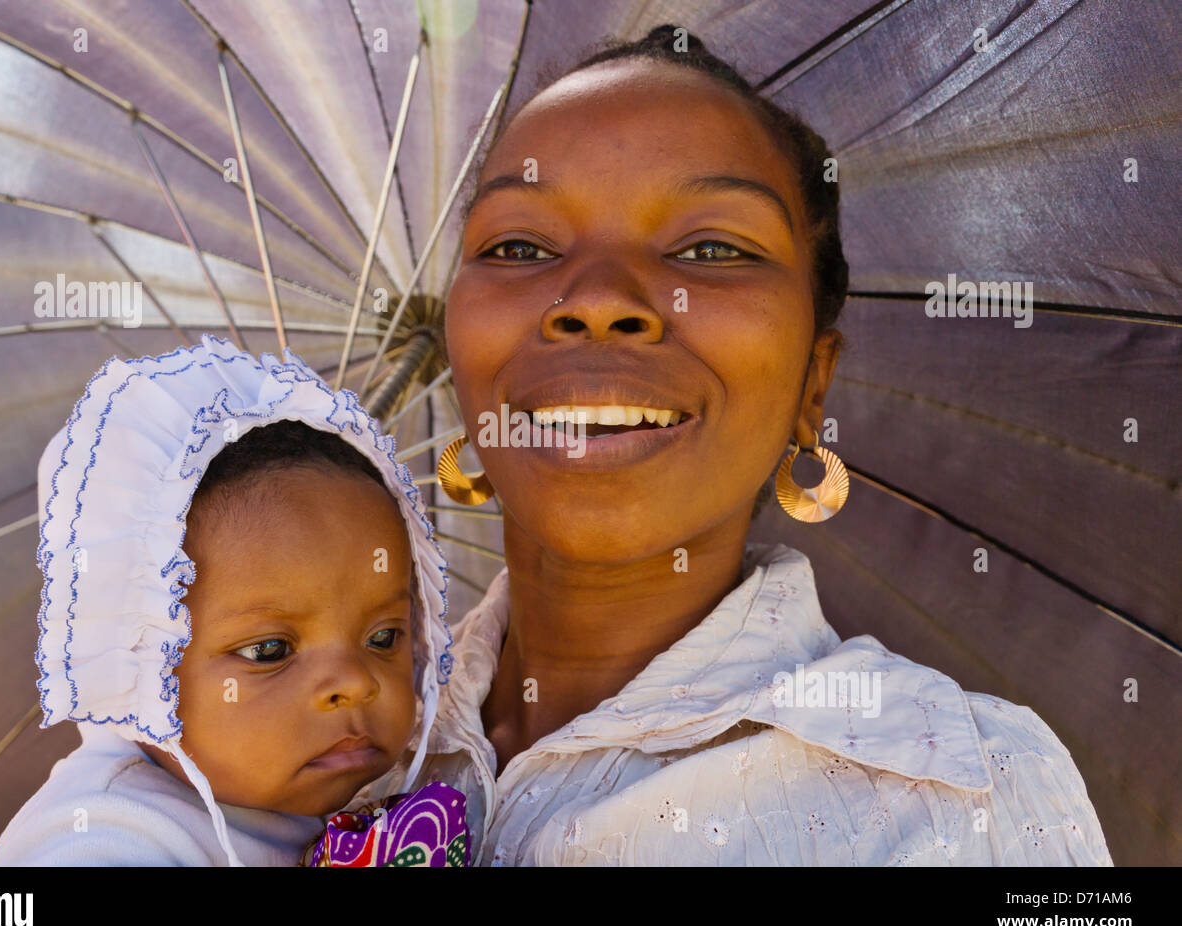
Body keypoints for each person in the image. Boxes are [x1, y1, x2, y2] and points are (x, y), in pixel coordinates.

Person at [356, 24, 1113, 865]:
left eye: (712, 248)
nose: (598, 299)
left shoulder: (964, 796)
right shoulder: (308, 724)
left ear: (810, 388)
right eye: (519, 246)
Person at [0, 335, 467, 867]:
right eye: (269, 651)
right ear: (140, 665)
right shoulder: (102, 837)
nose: (356, 682)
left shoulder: (375, 800)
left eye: (384, 637)